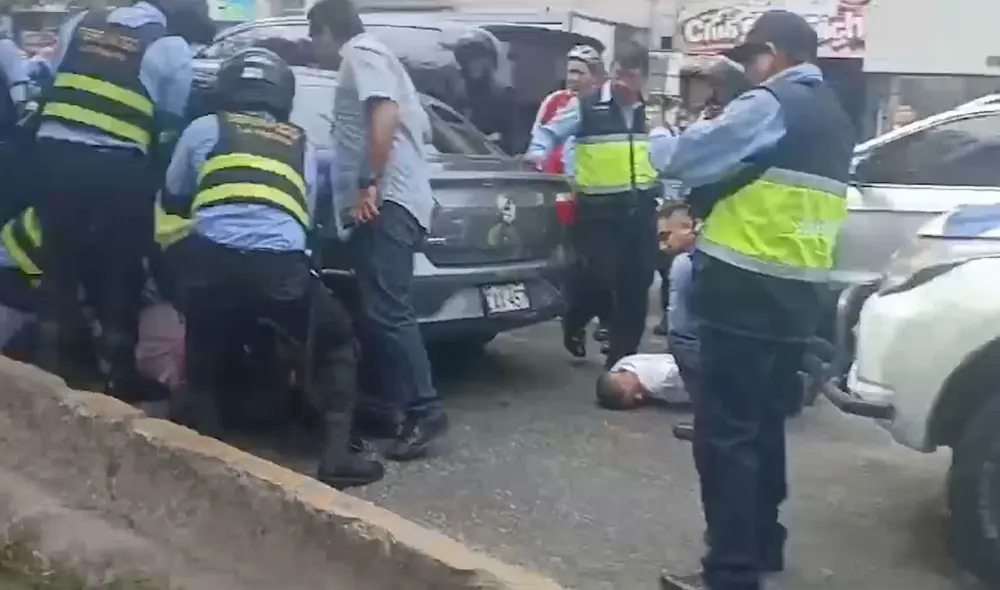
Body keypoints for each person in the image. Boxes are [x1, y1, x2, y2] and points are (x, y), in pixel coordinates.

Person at [653, 11, 856, 590]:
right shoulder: (837, 117)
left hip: (743, 291)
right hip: (797, 297)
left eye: (752, 57)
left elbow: (681, 159)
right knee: (763, 429)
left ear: (776, 52)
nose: (749, 70)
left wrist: (662, 133)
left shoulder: (770, 104)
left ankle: (730, 571)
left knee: (726, 437)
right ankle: (763, 545)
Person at [161, 46, 384, 489]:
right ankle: (337, 455)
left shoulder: (203, 128)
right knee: (337, 337)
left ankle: (200, 449)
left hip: (209, 261)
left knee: (204, 335)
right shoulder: (300, 142)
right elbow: (305, 215)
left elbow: (174, 196)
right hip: (279, 268)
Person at [31, 0, 206, 399]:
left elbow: (55, 80)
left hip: (54, 155)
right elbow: (169, 123)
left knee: (59, 261)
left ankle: (52, 369)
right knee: (120, 269)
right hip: (119, 168)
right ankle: (119, 376)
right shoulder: (171, 47)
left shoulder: (81, 23)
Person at [310, 0, 448, 461]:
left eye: (314, 37)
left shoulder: (361, 52)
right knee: (379, 308)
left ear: (327, 30)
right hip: (388, 202)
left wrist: (368, 181)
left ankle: (425, 410)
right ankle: (395, 407)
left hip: (386, 201)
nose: (315, 48)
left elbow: (384, 113)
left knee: (388, 310)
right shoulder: (373, 57)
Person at [526, 42, 660, 370]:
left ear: (643, 78)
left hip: (641, 210)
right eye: (618, 74)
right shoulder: (585, 106)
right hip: (598, 212)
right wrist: (537, 155)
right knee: (599, 278)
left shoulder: (651, 112)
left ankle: (622, 361)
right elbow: (549, 133)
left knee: (637, 284)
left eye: (631, 77)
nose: (623, 83)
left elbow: (666, 154)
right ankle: (575, 316)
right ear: (611, 71)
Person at [531, 44, 614, 352]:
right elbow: (540, 138)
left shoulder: (606, 105)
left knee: (607, 267)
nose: (573, 78)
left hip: (600, 198)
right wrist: (536, 166)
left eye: (580, 72)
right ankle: (577, 320)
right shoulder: (555, 102)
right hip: (564, 196)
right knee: (580, 268)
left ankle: (606, 323)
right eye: (570, 72)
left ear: (596, 76)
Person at [660, 203, 701, 442]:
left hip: (694, 339)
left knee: (682, 342)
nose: (663, 243)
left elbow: (681, 321)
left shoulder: (686, 263)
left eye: (666, 235)